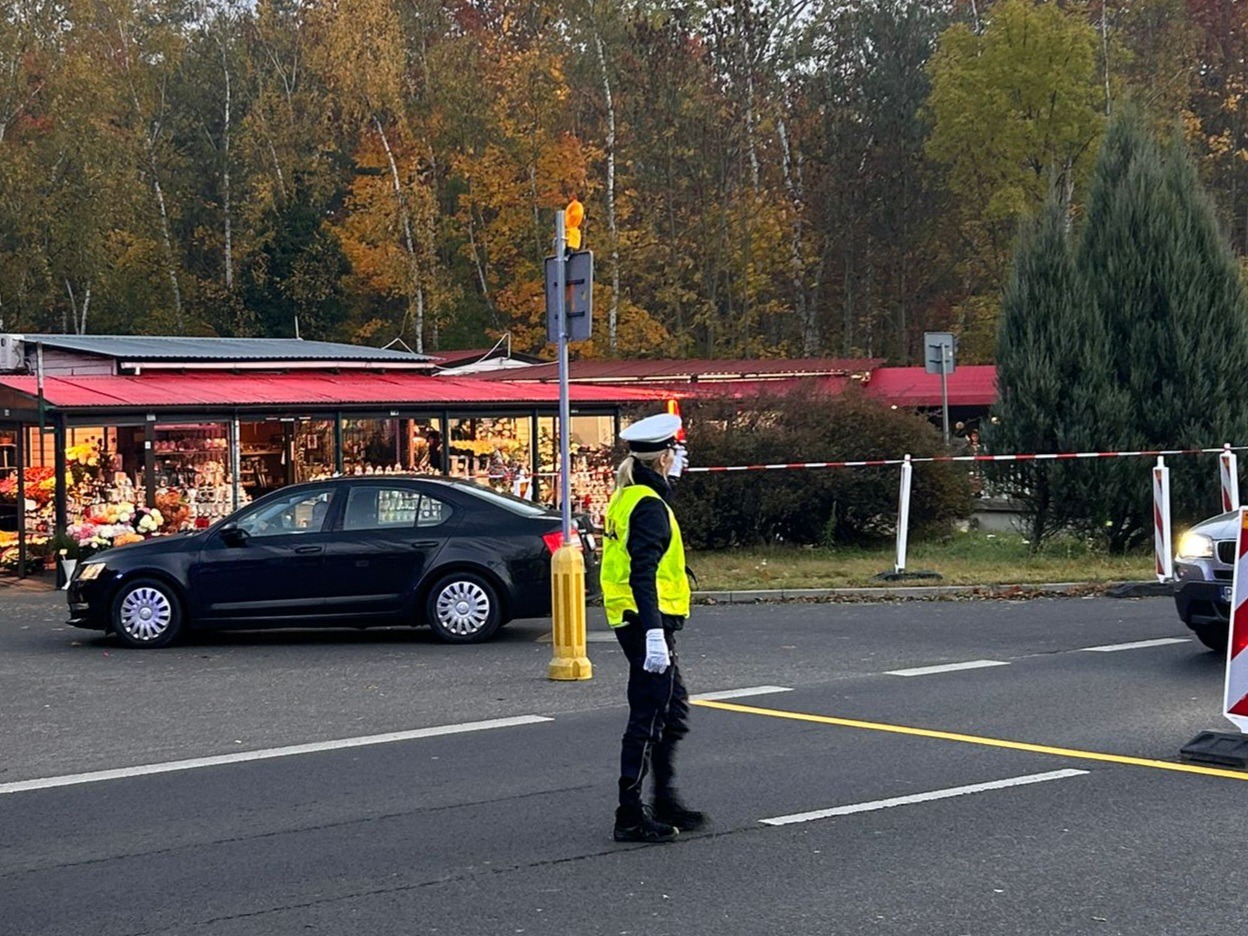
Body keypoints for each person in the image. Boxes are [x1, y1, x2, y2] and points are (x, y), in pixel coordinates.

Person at [601, 411, 705, 844]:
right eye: (674, 452)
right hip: (645, 620)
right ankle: (629, 814)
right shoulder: (648, 506)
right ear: (663, 457)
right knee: (649, 714)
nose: (677, 458)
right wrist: (654, 634)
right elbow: (642, 573)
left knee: (671, 710)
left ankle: (664, 799)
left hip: (636, 617)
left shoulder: (632, 495)